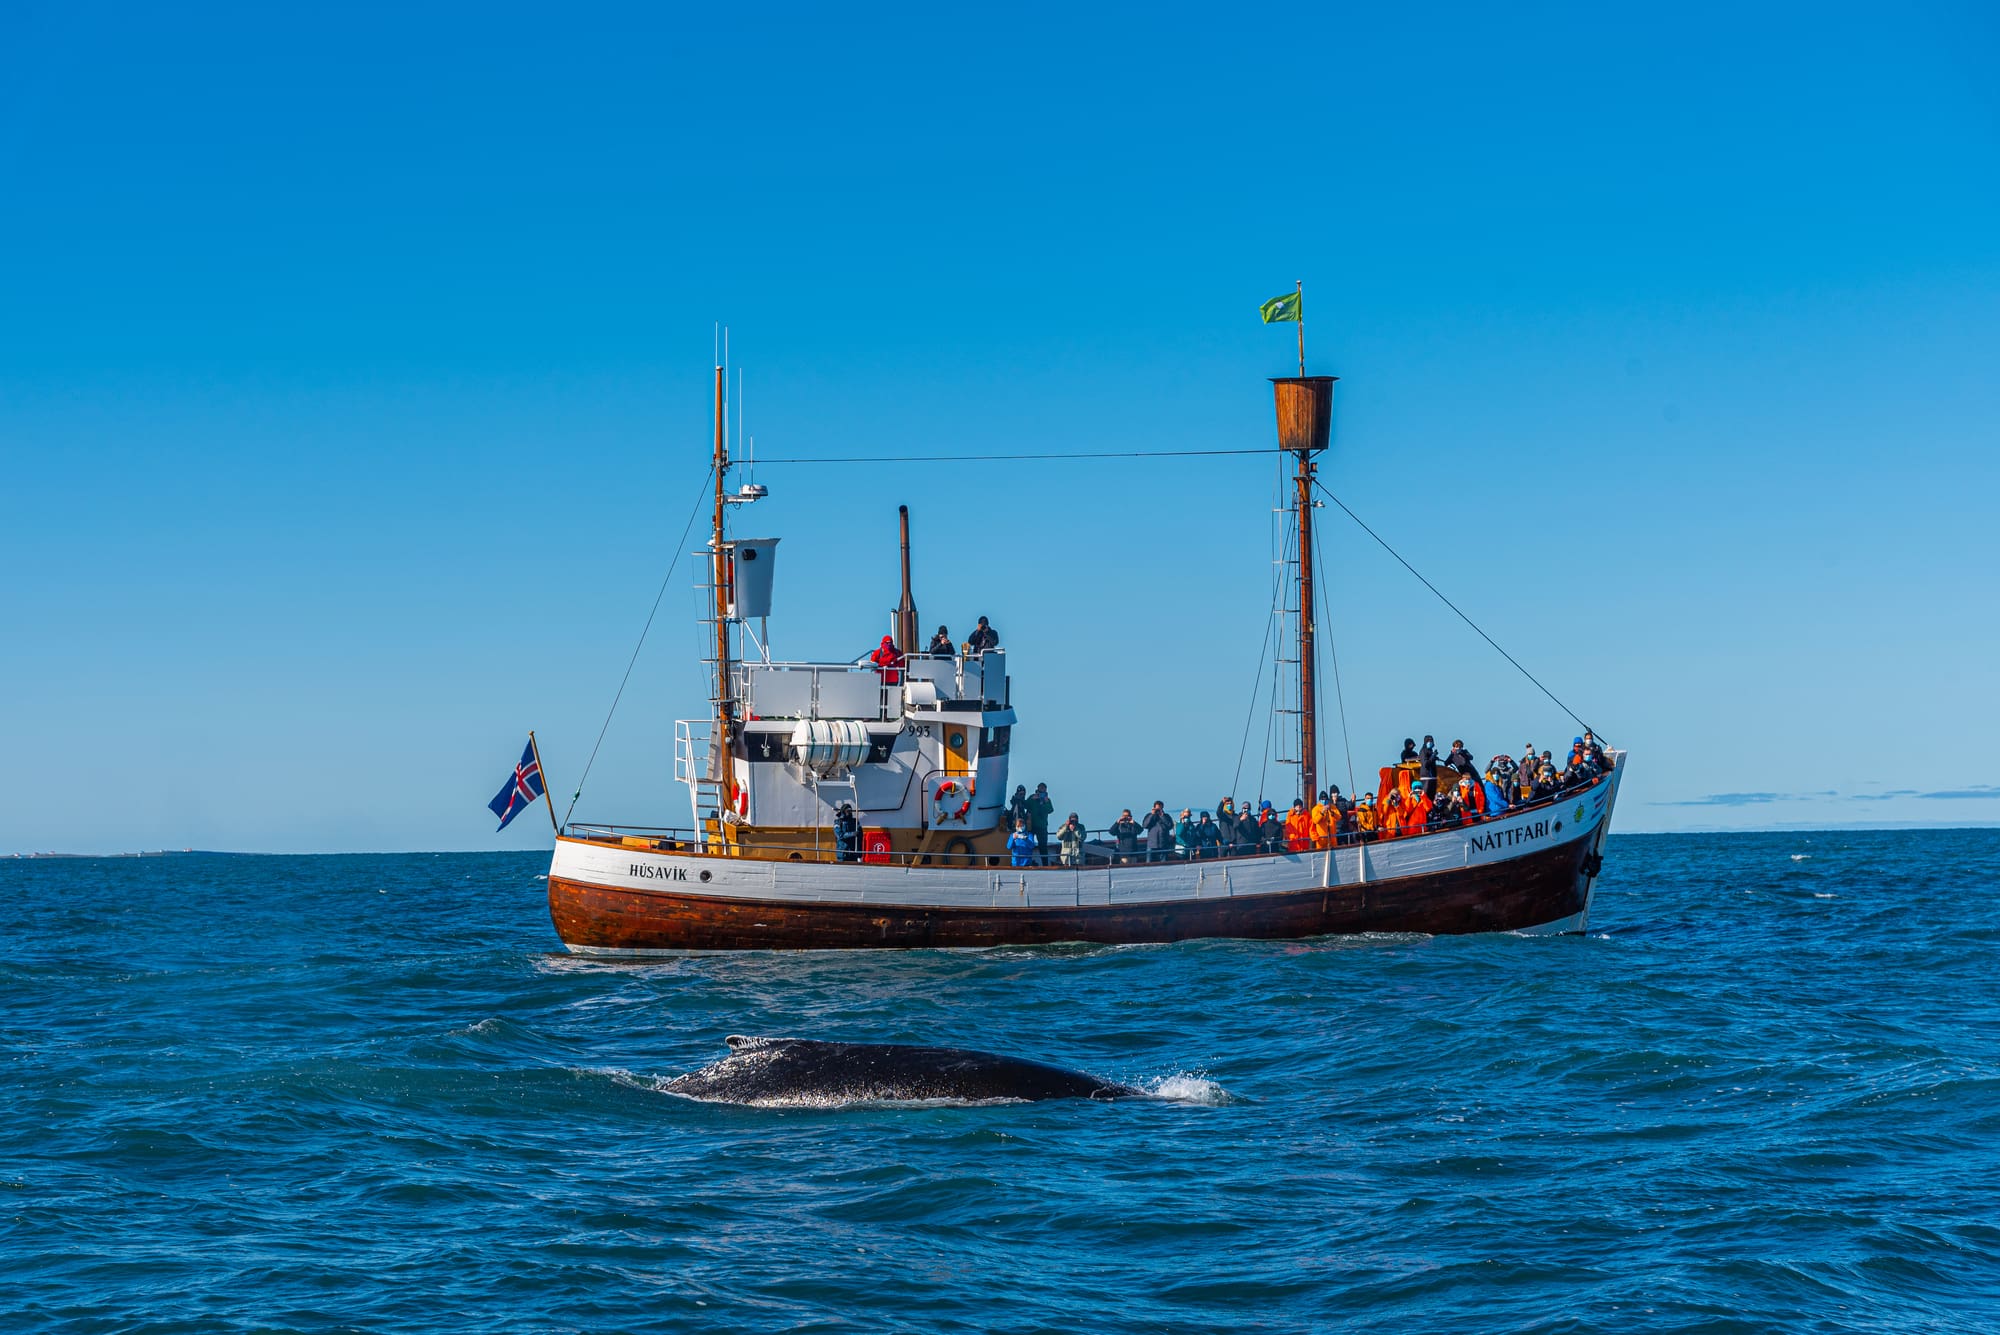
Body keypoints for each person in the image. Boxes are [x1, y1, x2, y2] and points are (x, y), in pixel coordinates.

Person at [1026, 783, 1055, 863]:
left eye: (1044, 790)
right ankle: (1028, 863)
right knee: (1029, 845)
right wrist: (1032, 799)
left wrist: (1045, 802)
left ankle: (1045, 864)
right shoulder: (1032, 798)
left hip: (1042, 826)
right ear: (1037, 790)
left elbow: (1050, 810)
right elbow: (1025, 805)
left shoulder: (1047, 800)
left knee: (1043, 847)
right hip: (1031, 826)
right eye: (1040, 790)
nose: (1042, 793)